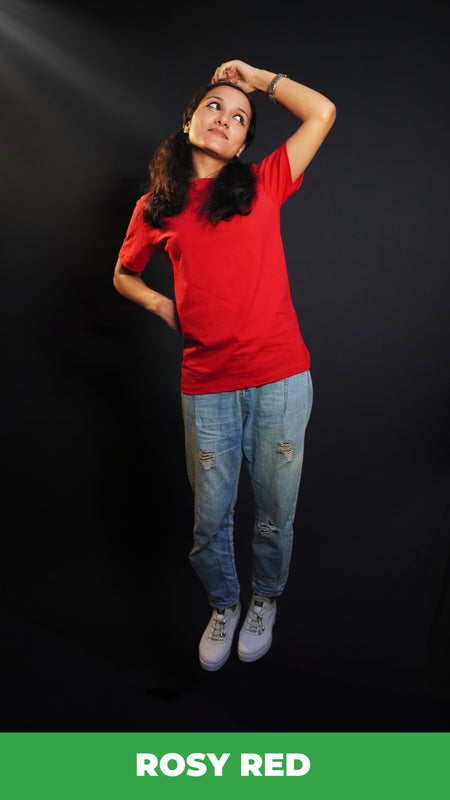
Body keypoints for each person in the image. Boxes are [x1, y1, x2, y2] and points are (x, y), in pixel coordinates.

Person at [114, 59, 336, 671]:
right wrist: (162, 304)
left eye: (239, 118)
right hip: (207, 384)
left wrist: (257, 79)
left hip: (281, 378)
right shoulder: (156, 207)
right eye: (214, 106)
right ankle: (224, 603)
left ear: (243, 144)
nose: (224, 118)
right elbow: (124, 274)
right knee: (210, 521)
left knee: (274, 514)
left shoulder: (265, 183)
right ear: (189, 119)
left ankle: (265, 599)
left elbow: (322, 112)